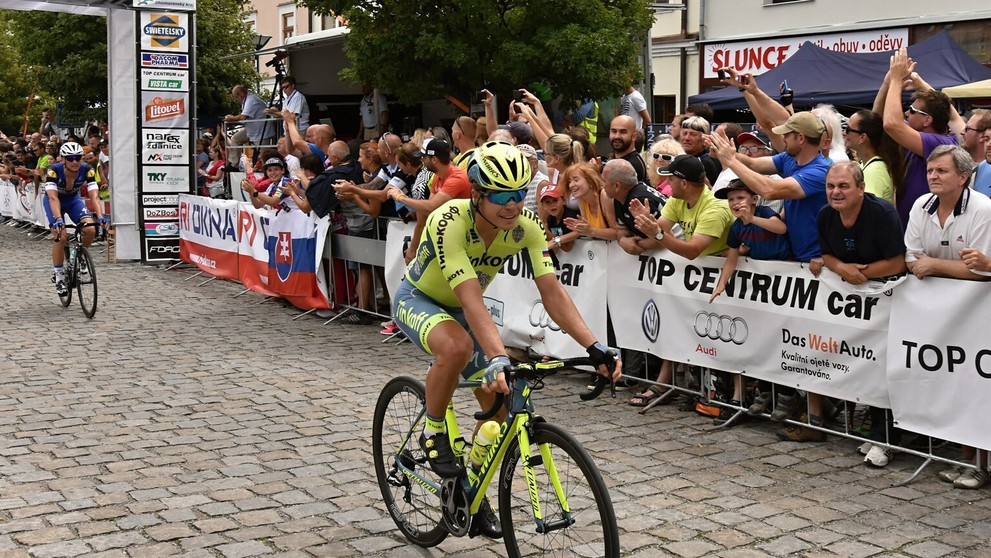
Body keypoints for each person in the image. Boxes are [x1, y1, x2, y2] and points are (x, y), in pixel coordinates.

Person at [391, 141, 621, 538]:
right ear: (477, 195)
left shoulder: (526, 228)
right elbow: (471, 299)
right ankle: (432, 430)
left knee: (498, 415)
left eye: (518, 194)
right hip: (420, 298)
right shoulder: (450, 221)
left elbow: (552, 293)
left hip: (464, 311)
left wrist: (594, 346)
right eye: (500, 196)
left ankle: (468, 494)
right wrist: (498, 356)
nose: (512, 205)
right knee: (457, 347)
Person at [904, 145, 991, 489]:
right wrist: (933, 266)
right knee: (950, 382)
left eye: (941, 171)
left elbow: (981, 271)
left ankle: (981, 461)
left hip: (979, 313)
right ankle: (964, 456)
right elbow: (911, 258)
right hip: (938, 316)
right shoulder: (920, 206)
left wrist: (936, 265)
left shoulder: (983, 209)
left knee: (977, 385)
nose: (933, 177)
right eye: (930, 171)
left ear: (963, 177)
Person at [811, 162, 907, 465]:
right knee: (863, 363)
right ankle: (873, 433)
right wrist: (841, 268)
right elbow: (826, 254)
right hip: (855, 304)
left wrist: (860, 274)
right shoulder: (825, 215)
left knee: (886, 368)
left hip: (891, 298)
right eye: (830, 186)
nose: (835, 192)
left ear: (861, 188)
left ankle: (887, 439)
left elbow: (898, 262)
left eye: (843, 186)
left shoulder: (882, 215)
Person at [708, 177, 791, 422]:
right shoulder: (736, 228)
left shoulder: (763, 213)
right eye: (732, 200)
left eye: (741, 198)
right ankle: (765, 390)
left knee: (783, 338)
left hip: (786, 275)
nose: (736, 203)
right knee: (762, 338)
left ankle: (787, 395)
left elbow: (781, 229)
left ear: (754, 199)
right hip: (766, 287)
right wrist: (722, 283)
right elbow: (731, 258)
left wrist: (752, 219)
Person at [874, 48, 960, 226]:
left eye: (912, 111)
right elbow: (879, 119)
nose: (906, 112)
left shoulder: (941, 144)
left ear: (927, 120)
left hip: (928, 231)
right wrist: (887, 84)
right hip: (910, 228)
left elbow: (891, 124)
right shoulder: (920, 137)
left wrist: (897, 81)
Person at [43, 142, 108, 296]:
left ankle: (77, 256)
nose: (75, 162)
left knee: (90, 229)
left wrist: (100, 216)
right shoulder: (54, 170)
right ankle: (59, 276)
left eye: (78, 158)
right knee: (61, 237)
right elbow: (52, 198)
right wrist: (58, 219)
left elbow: (94, 195)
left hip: (73, 201)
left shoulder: (87, 169)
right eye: (70, 158)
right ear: (63, 159)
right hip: (55, 201)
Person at [843, 110, 904, 205]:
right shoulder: (869, 164)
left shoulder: (874, 171)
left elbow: (869, 211)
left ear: (862, 137)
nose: (844, 132)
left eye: (848, 129)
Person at [225, 85, 270, 169]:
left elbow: (243, 117)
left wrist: (231, 118)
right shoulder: (246, 101)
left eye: (236, 97)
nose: (236, 100)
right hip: (252, 130)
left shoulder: (251, 100)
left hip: (261, 131)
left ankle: (266, 171)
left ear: (241, 93)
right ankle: (233, 164)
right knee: (236, 138)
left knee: (264, 155)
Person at [608, 115, 646, 182]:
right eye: (614, 131)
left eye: (623, 132)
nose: (617, 136)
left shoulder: (631, 166)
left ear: (634, 136)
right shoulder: (617, 159)